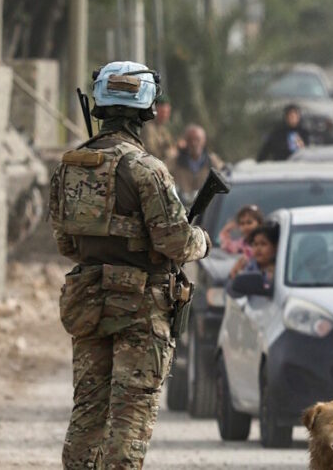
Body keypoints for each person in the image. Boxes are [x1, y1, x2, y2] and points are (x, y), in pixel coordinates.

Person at [49, 61, 211, 469]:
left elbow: (66, 241)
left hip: (88, 299)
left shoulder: (69, 165)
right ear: (147, 109)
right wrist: (202, 242)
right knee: (130, 416)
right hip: (141, 306)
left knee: (88, 411)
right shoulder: (147, 169)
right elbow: (175, 240)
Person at [169, 124, 224, 196]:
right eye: (190, 139)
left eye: (197, 139)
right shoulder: (175, 161)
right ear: (185, 141)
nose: (193, 143)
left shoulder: (212, 161)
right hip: (181, 204)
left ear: (204, 141)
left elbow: (225, 179)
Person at [237, 223, 280, 288]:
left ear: (275, 247)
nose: (258, 249)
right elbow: (235, 292)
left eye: (263, 244)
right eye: (255, 244)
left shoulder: (282, 269)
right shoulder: (249, 268)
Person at [140, 94, 177, 165]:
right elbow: (150, 151)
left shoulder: (163, 129)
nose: (165, 115)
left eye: (167, 112)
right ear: (155, 111)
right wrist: (167, 152)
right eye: (163, 112)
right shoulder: (148, 128)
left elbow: (170, 144)